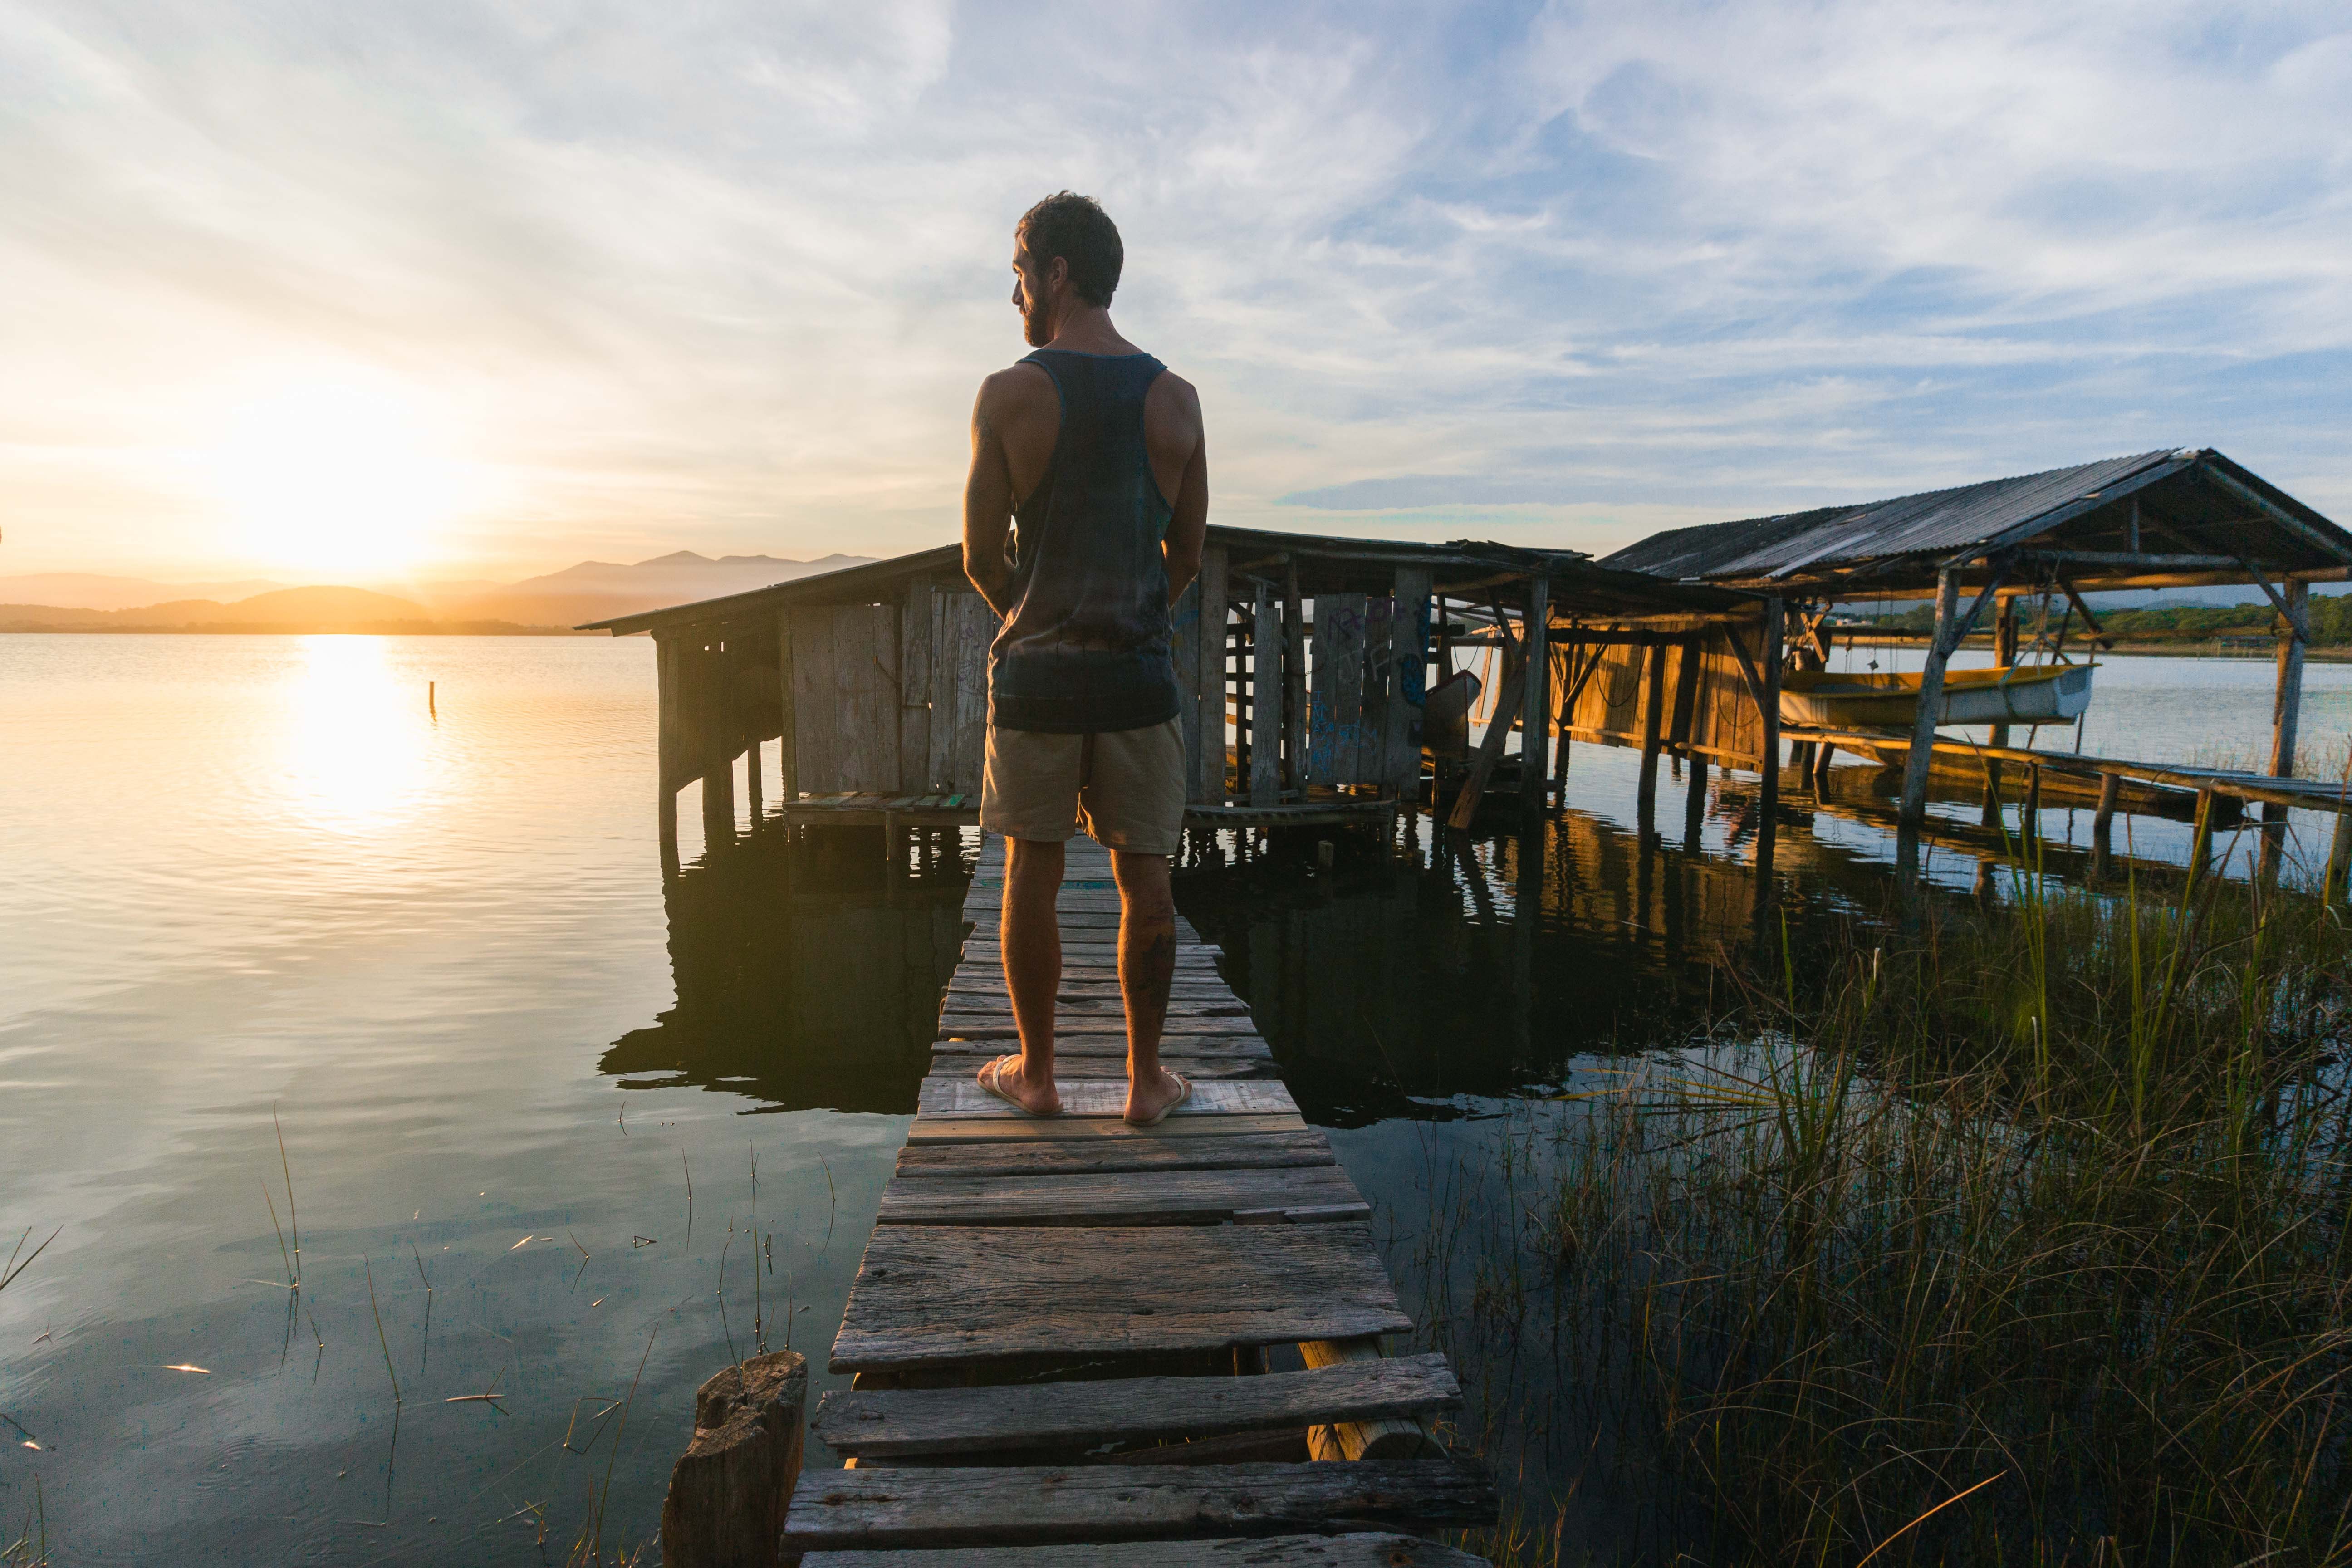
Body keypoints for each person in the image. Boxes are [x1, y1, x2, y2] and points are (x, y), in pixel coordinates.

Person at [960, 191, 1209, 1127]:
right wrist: (1136, 613)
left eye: (1019, 272)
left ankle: (1039, 1075)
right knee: (1147, 878)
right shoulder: (1176, 401)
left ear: (1056, 273)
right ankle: (1147, 1084)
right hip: (1138, 678)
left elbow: (982, 557)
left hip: (1037, 679)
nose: (1014, 292)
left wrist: (1030, 611)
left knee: (1033, 868)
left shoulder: (1011, 394)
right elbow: (1184, 555)